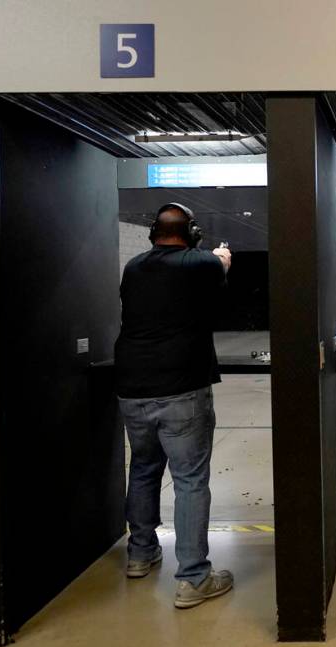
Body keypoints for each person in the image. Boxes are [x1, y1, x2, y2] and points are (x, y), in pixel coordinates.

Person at [114, 202, 235, 608]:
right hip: (182, 386)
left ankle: (141, 553)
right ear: (192, 233)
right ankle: (193, 577)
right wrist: (222, 261)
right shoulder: (201, 263)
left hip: (133, 386)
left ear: (154, 233)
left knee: (144, 469)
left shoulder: (134, 267)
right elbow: (214, 281)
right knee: (190, 480)